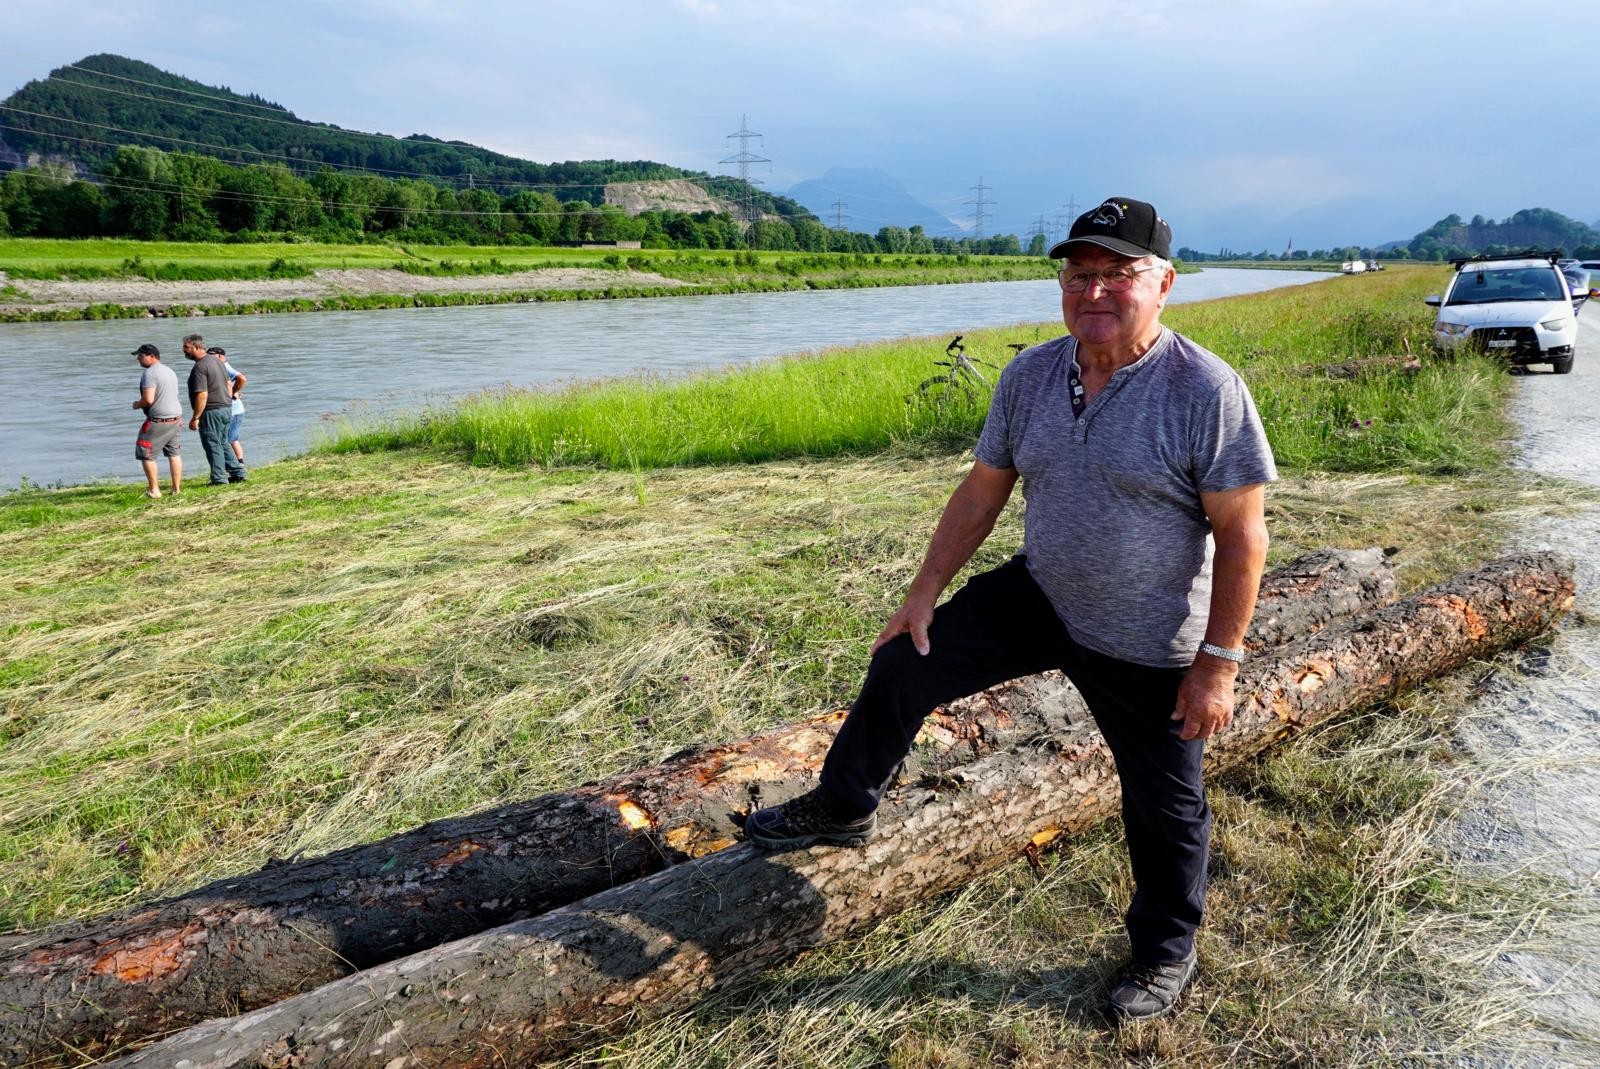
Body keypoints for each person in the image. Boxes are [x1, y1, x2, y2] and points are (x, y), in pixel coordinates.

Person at [744, 197, 1275, 1022]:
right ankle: (843, 806)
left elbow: (1243, 536)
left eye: (1117, 274)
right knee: (903, 660)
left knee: (1165, 806)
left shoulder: (1204, 389)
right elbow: (982, 492)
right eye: (1078, 273)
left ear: (1164, 283)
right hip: (1043, 594)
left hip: (1148, 635)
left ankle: (1166, 951)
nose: (1094, 291)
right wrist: (921, 593)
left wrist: (1219, 662)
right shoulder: (1030, 374)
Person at [183, 334, 246, 485]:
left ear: (196, 347)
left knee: (212, 444)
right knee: (223, 442)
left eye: (186, 348)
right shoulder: (217, 361)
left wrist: (196, 417)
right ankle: (238, 473)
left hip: (211, 411)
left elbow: (202, 394)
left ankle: (218, 479)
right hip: (226, 409)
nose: (184, 351)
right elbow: (228, 383)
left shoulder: (200, 367)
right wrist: (231, 396)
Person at [131, 343, 182, 498]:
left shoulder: (150, 374)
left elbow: (148, 399)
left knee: (145, 453)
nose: (138, 359)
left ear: (152, 356)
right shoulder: (170, 371)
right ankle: (176, 489)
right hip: (176, 417)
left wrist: (137, 405)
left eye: (141, 356)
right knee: (174, 453)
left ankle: (154, 490)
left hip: (158, 420)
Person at [208, 346, 248, 475]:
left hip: (234, 411)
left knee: (231, 439)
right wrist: (233, 391)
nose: (208, 356)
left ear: (221, 356)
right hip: (229, 410)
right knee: (228, 439)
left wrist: (234, 392)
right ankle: (235, 465)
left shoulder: (224, 366)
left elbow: (241, 378)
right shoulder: (217, 367)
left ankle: (240, 464)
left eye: (211, 354)